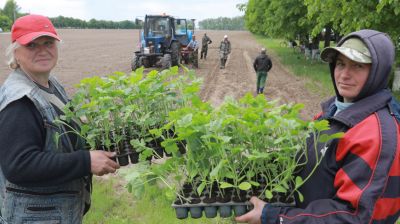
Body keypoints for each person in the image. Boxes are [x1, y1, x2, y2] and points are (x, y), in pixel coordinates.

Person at [236, 29, 400, 223]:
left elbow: (353, 217)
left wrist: (275, 216)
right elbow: (317, 163)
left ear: (377, 72)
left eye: (357, 66)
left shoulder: (378, 134)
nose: (344, 75)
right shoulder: (333, 112)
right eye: (340, 64)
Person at [0, 14, 120, 223]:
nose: (43, 50)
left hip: (52, 213)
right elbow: (20, 165)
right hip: (33, 217)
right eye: (32, 45)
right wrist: (85, 161)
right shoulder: (20, 102)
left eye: (48, 43)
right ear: (16, 53)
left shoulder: (50, 84)